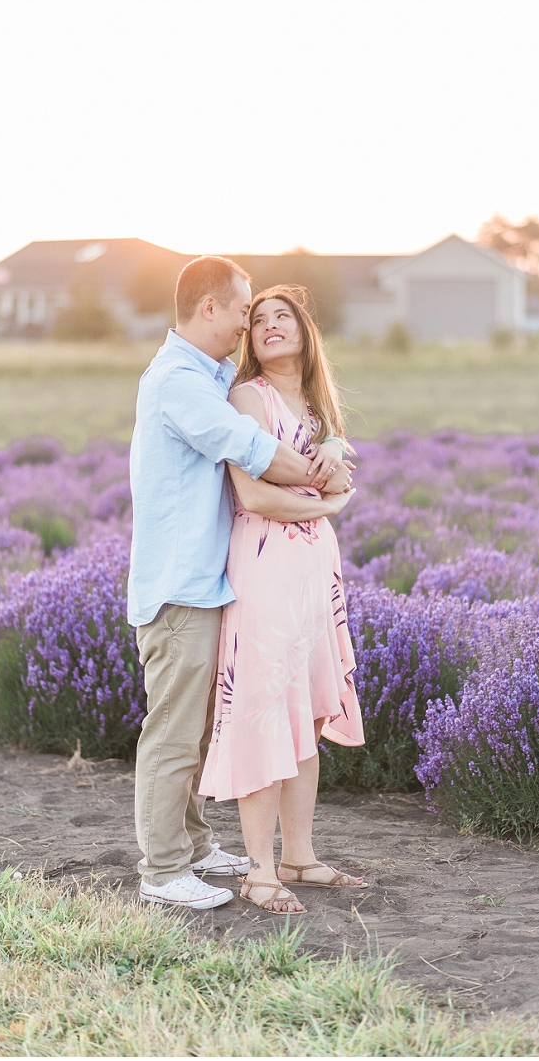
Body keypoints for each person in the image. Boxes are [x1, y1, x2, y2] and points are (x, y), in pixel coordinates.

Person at [129, 256, 352, 910]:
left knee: (198, 727)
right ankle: (162, 868)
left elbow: (298, 419)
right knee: (173, 731)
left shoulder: (210, 372)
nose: (245, 325)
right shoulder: (180, 382)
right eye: (242, 311)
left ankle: (196, 847)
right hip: (179, 586)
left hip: (208, 581)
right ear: (209, 309)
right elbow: (257, 453)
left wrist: (333, 445)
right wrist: (327, 484)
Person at [198, 284, 364, 914]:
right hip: (265, 568)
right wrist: (327, 500)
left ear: (303, 331)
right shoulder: (249, 396)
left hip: (313, 571)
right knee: (263, 709)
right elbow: (255, 497)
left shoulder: (317, 410)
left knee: (309, 712)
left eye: (281, 317)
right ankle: (259, 871)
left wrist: (332, 457)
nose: (268, 325)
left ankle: (300, 856)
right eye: (258, 319)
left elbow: (341, 472)